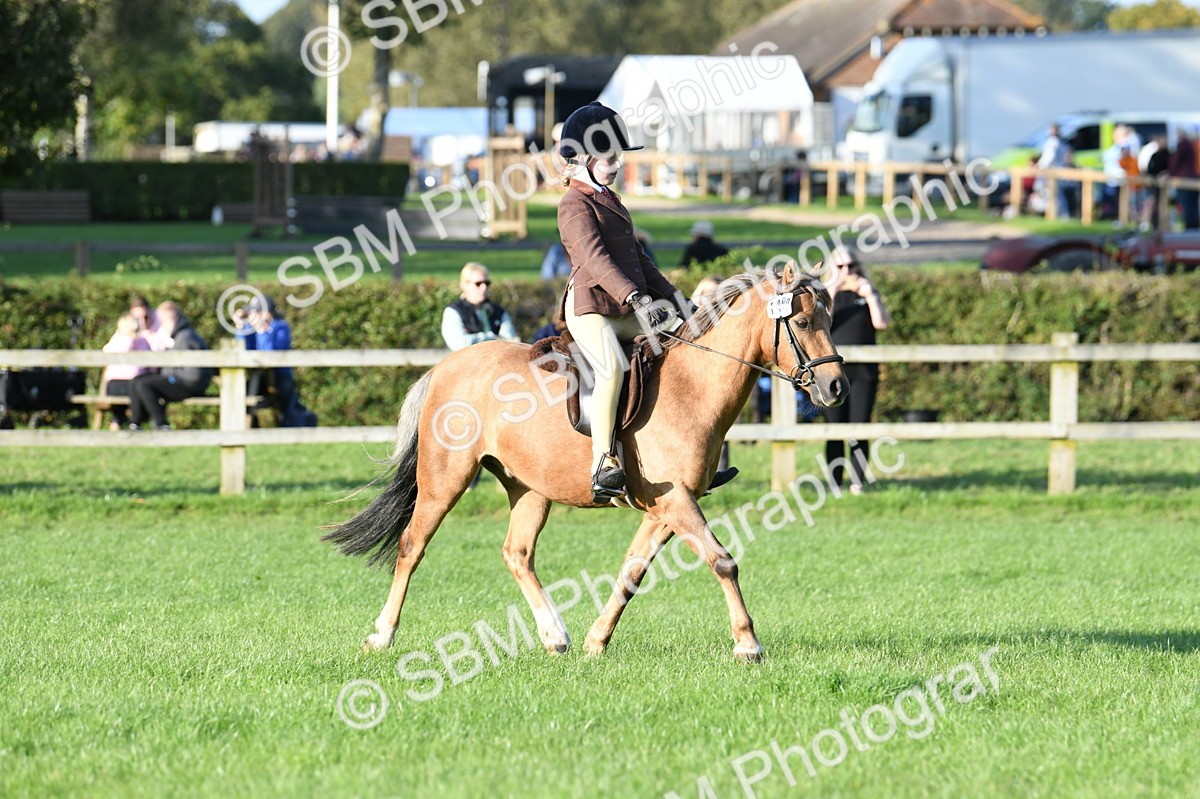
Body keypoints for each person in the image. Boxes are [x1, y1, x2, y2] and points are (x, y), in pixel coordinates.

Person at [556, 101, 687, 499]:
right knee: (612, 366)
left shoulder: (610, 199)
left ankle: (680, 455)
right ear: (583, 158)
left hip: (626, 306)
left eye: (617, 157)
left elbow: (639, 259)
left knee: (682, 339)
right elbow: (595, 259)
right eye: (609, 157)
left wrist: (677, 300)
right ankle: (603, 463)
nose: (616, 165)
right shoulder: (573, 204)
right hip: (591, 308)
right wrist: (634, 296)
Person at [822, 247, 891, 495]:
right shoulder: (825, 295)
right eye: (840, 266)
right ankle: (835, 482)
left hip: (864, 372)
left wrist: (870, 295)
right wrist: (832, 290)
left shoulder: (866, 291)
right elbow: (824, 323)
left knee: (860, 427)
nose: (847, 271)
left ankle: (857, 482)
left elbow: (881, 323)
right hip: (832, 373)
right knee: (834, 429)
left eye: (851, 266)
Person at [127, 302, 213, 431]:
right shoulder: (182, 335)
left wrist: (169, 375)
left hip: (189, 385)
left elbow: (194, 374)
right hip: (183, 381)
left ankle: (161, 424)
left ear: (169, 320)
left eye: (162, 322)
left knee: (144, 384)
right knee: (137, 380)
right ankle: (135, 423)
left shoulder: (185, 337)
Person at [235, 295, 315, 427]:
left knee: (285, 400)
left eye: (255, 312)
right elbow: (241, 349)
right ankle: (251, 428)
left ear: (266, 313)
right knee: (239, 394)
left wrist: (262, 331)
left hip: (279, 377)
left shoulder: (280, 327)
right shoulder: (250, 328)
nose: (251, 316)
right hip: (259, 377)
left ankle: (288, 427)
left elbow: (269, 355)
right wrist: (240, 327)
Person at [441, 262, 520, 351]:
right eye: (478, 283)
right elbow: (459, 344)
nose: (484, 287)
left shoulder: (499, 311)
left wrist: (477, 339)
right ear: (464, 285)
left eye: (487, 283)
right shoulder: (453, 311)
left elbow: (511, 343)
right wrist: (492, 337)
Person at [100, 312, 151, 430]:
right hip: (134, 385)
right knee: (143, 390)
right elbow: (151, 365)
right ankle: (135, 423)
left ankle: (116, 421)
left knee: (119, 409)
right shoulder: (142, 340)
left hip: (113, 385)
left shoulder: (116, 340)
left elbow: (105, 352)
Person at [1037, 124, 1070, 219]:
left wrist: (1040, 166)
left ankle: (1059, 215)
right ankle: (1063, 215)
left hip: (1051, 171)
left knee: (1054, 195)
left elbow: (1049, 157)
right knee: (1058, 195)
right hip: (1059, 170)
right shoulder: (1061, 142)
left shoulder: (1052, 142)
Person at [1169, 127, 1199, 230]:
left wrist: (1170, 173)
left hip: (1185, 179)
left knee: (1188, 204)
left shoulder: (1183, 144)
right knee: (1192, 204)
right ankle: (1193, 226)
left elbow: (1176, 161)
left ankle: (1191, 227)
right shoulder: (1191, 144)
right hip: (1192, 177)